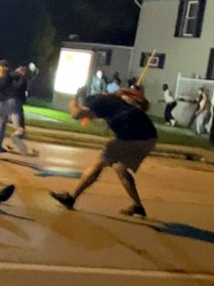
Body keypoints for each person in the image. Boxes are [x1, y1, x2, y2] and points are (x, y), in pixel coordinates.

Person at [50, 88, 157, 217]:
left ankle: (71, 197)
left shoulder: (100, 102)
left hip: (133, 137)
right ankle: (137, 206)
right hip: (149, 138)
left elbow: (76, 114)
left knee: (99, 161)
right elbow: (143, 105)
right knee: (120, 168)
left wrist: (73, 99)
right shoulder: (117, 101)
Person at [0, 59, 26, 157]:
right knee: (14, 113)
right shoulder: (6, 76)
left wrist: (19, 75)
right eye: (5, 66)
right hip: (9, 99)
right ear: (1, 67)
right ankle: (17, 130)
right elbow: (19, 86)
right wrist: (20, 75)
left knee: (2, 123)